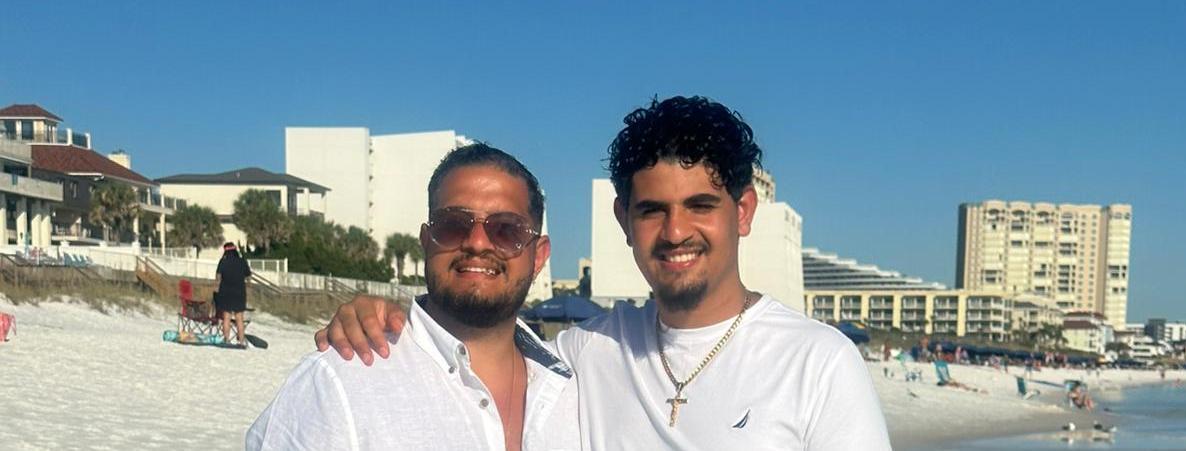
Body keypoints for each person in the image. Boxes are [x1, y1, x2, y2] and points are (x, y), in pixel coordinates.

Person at [315, 96, 891, 449]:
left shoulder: (817, 363)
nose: (675, 232)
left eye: (699, 205)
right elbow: (481, 340)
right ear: (624, 220)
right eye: (652, 210)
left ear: (742, 212)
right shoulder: (585, 354)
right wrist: (383, 316)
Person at [246, 144, 579, 450]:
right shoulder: (339, 382)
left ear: (538, 256)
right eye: (453, 225)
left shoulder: (576, 391)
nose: (477, 243)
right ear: (426, 240)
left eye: (506, 230)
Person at [215, 242, 252, 345]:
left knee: (226, 317)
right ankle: (241, 341)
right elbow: (248, 277)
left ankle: (226, 340)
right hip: (239, 293)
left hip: (226, 292)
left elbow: (218, 277)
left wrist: (219, 284)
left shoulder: (223, 261)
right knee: (239, 318)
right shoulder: (242, 261)